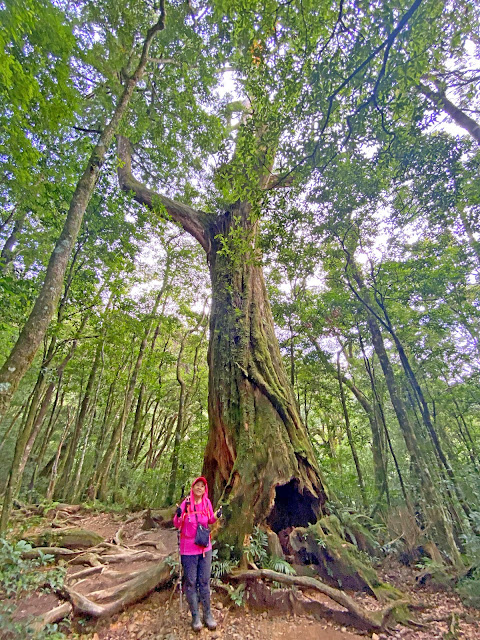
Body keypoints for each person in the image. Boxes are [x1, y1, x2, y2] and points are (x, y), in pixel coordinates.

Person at [173, 476, 222, 632]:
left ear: (204, 489)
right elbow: (177, 523)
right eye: (197, 485)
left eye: (202, 486)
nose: (200, 488)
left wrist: (217, 515)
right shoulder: (186, 503)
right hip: (188, 550)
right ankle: (195, 618)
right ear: (193, 488)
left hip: (204, 549)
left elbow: (209, 520)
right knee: (191, 582)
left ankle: (208, 615)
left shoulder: (207, 503)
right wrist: (179, 514)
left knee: (205, 581)